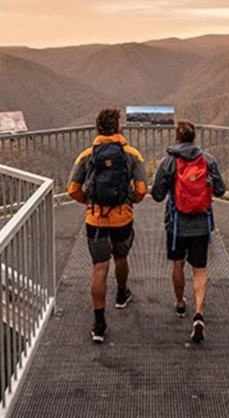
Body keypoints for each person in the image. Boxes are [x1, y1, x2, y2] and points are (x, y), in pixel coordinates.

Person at [67, 107, 147, 343]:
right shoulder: (132, 154)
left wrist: (90, 202)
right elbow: (142, 191)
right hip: (122, 217)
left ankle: (99, 323)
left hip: (96, 219)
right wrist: (128, 201)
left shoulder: (87, 155)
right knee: (121, 258)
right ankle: (121, 295)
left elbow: (72, 189)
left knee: (99, 267)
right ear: (118, 128)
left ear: (98, 129)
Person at [152, 120, 225, 343]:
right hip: (202, 225)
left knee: (178, 264)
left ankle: (180, 303)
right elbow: (221, 190)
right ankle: (199, 313)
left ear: (176, 138)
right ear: (193, 138)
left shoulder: (169, 162)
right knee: (200, 269)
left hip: (176, 225)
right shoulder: (208, 161)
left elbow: (156, 195)